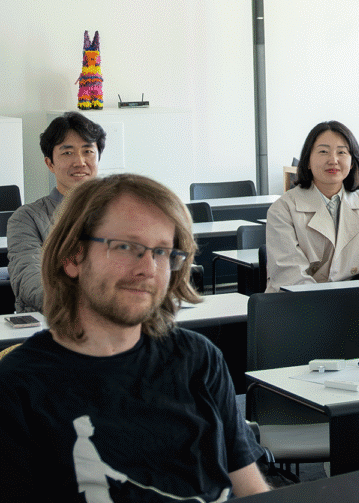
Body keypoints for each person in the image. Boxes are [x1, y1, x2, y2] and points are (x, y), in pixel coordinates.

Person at [0, 173, 270, 501]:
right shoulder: (17, 386)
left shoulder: (199, 358)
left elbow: (250, 487)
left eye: (162, 251)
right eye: (126, 246)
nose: (149, 268)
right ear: (72, 258)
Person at [266, 121, 359, 292]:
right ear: (307, 161)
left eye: (342, 152)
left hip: (354, 305)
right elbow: (291, 277)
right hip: (299, 308)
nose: (333, 160)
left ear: (351, 163)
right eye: (323, 151)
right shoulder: (283, 209)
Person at [9, 111, 106, 313]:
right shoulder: (27, 218)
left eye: (88, 151)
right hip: (53, 323)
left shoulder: (119, 212)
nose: (80, 162)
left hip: (115, 322)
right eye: (67, 153)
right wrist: (86, 306)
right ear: (49, 163)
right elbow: (29, 279)